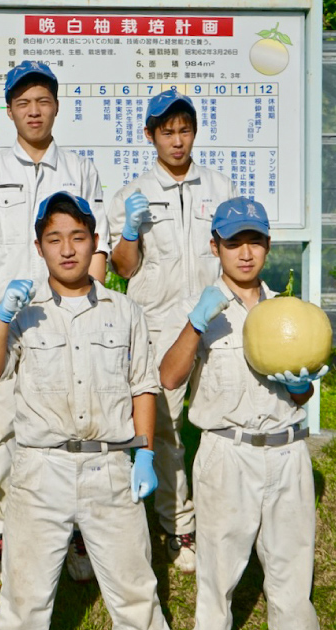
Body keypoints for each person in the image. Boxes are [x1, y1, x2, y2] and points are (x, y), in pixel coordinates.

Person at [0, 192, 169, 630]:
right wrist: (1, 317)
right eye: (54, 238)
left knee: (137, 595)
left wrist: (147, 454)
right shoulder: (23, 312)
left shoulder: (126, 311)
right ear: (38, 247)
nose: (66, 249)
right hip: (41, 469)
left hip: (110, 466)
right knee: (23, 603)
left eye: (78, 237)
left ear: (94, 242)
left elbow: (143, 387)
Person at [0, 59, 110, 584]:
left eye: (42, 101)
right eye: (23, 103)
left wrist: (97, 305)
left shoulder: (80, 167)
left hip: (66, 315)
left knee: (72, 422)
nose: (34, 111)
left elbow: (99, 243)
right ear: (10, 110)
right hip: (6, 316)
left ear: (57, 106)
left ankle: (75, 532)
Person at [158, 197, 326, 629]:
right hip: (227, 455)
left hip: (288, 452)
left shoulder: (288, 312)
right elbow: (170, 377)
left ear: (268, 246)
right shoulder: (202, 308)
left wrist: (301, 387)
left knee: (292, 573)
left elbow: (300, 397)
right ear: (215, 247)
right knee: (217, 575)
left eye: (254, 242)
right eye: (234, 243)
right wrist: (196, 324)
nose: (245, 253)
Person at [107, 88, 235, 572]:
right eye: (167, 132)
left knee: (221, 419)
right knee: (166, 428)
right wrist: (131, 230)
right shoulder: (132, 194)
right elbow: (123, 266)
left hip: (215, 321)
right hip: (160, 324)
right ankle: (178, 524)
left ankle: (220, 514)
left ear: (194, 133)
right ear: (150, 136)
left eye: (184, 130)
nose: (177, 141)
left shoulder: (219, 187)